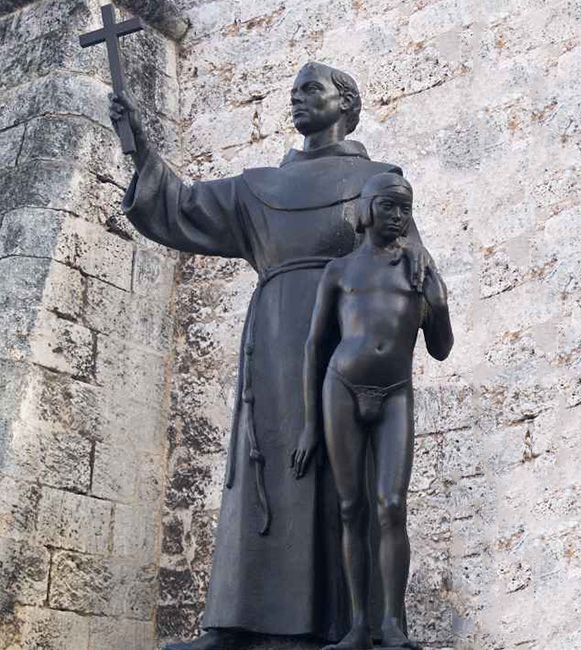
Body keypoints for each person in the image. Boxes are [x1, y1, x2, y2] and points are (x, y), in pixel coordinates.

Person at [109, 63, 438, 649]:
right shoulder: (255, 187)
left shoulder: (378, 180)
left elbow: (409, 261)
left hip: (348, 343)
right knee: (263, 469)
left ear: (347, 103)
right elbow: (182, 205)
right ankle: (235, 625)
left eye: (313, 89)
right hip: (275, 341)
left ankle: (354, 626)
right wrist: (139, 146)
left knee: (349, 486)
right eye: (293, 91)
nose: (298, 97)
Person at [293, 173, 453, 650]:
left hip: (395, 390)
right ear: (366, 211)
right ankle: (358, 624)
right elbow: (315, 346)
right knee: (350, 507)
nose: (399, 216)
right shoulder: (339, 271)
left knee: (391, 505)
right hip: (341, 387)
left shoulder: (418, 269)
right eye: (389, 206)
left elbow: (441, 349)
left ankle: (390, 623)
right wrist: (307, 425)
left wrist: (438, 303)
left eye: (405, 208)